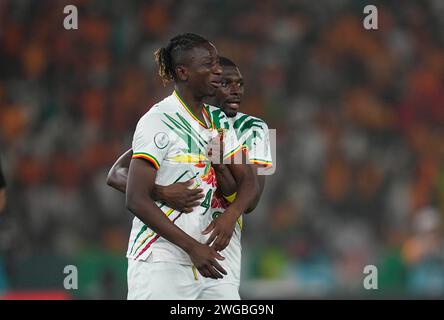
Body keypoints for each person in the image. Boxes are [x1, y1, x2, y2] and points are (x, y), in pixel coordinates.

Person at [108, 56, 273, 299]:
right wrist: (161, 191)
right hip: (169, 250)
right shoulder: (175, 122)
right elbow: (116, 174)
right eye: (225, 83)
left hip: (222, 248)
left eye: (240, 83)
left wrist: (219, 165)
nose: (235, 90)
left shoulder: (256, 128)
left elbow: (252, 201)